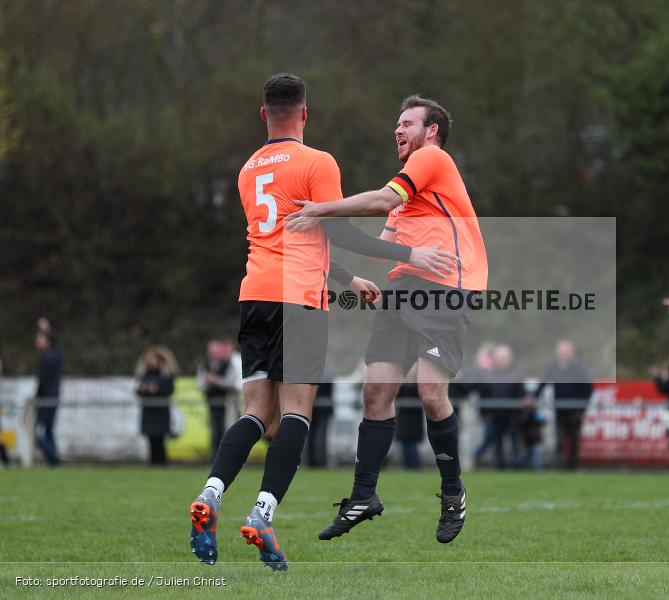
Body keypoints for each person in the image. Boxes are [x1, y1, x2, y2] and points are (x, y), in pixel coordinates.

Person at [187, 74, 456, 570]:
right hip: (299, 300)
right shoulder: (317, 162)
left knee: (253, 413)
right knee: (295, 414)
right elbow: (341, 230)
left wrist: (348, 281)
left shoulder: (248, 170)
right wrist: (407, 250)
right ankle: (263, 516)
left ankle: (211, 494)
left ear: (263, 112)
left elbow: (290, 240)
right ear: (305, 113)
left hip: (254, 295)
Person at [285, 95, 488, 544]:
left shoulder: (432, 158)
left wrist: (320, 208)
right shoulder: (408, 197)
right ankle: (363, 497)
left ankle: (453, 492)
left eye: (407, 123)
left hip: (444, 285)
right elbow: (377, 239)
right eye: (395, 124)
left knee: (431, 394)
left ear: (431, 130)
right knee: (375, 392)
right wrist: (338, 257)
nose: (397, 130)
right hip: (403, 290)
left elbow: (379, 201)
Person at [534, 340, 593, 470]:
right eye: (561, 352)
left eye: (566, 351)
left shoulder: (579, 368)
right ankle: (559, 468)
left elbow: (588, 389)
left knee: (574, 440)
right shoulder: (553, 367)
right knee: (559, 440)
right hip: (560, 409)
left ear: (572, 352)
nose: (564, 354)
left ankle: (572, 467)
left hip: (575, 410)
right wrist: (533, 397)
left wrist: (582, 407)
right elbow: (543, 382)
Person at [474, 344, 525, 469]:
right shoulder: (486, 375)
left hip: (512, 417)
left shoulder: (517, 375)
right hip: (493, 417)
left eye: (505, 358)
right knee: (495, 446)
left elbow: (521, 394)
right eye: (500, 358)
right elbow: (480, 393)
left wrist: (518, 413)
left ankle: (516, 469)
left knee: (514, 446)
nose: (502, 361)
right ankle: (496, 467)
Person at [136, 346, 177, 466]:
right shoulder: (144, 375)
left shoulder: (165, 375)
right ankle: (152, 461)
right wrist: (143, 389)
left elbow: (169, 390)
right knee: (150, 437)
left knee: (160, 438)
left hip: (161, 411)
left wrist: (154, 389)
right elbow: (138, 391)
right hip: (149, 410)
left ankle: (162, 461)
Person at [197, 338, 237, 459]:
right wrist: (208, 383)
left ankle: (229, 458)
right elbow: (200, 385)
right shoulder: (204, 365)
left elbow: (231, 382)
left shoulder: (229, 364)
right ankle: (215, 458)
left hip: (228, 404)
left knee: (228, 431)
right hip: (212, 404)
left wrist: (216, 381)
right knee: (215, 432)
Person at [35, 325, 63, 466]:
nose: (37, 341)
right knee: (49, 431)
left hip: (46, 400)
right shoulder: (57, 354)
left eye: (40, 338)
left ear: (47, 341)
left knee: (37, 433)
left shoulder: (46, 357)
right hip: (54, 398)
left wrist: (36, 398)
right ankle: (53, 460)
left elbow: (43, 381)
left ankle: (54, 457)